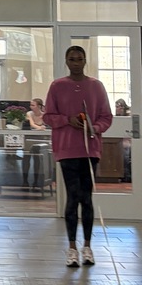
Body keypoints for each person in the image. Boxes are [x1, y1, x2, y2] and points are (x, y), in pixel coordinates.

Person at [43, 46, 113, 267]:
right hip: (67, 150)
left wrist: (95, 128)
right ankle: (71, 247)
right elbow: (48, 116)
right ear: (66, 61)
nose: (76, 63)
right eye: (72, 59)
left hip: (90, 150)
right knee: (73, 197)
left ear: (85, 61)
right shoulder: (57, 86)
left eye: (80, 59)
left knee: (87, 198)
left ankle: (88, 246)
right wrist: (67, 120)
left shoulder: (96, 86)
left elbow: (106, 117)